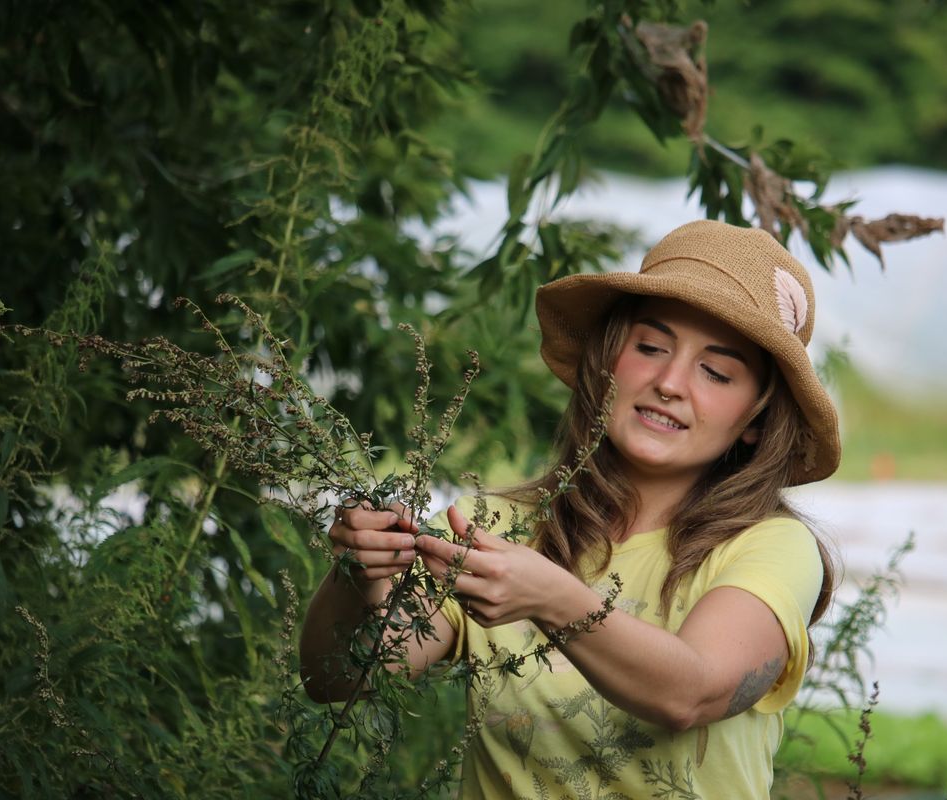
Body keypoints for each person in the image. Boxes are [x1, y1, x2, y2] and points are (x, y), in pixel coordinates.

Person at [300, 219, 841, 799]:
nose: (669, 382)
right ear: (606, 359)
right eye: (650, 347)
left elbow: (693, 693)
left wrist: (553, 599)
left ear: (757, 421)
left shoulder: (773, 547)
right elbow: (339, 677)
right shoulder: (494, 528)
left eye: (716, 371)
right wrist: (359, 572)